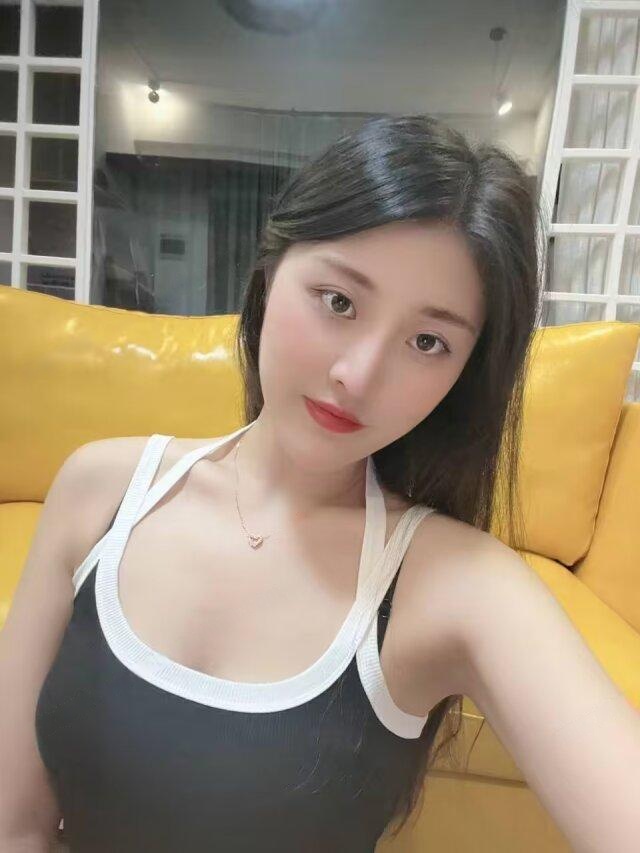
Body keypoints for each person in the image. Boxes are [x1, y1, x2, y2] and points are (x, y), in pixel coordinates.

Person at [2, 114, 637, 853]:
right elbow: (16, 824)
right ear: (271, 271)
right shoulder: (101, 491)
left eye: (427, 341)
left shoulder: (457, 585)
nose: (358, 376)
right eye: (339, 301)